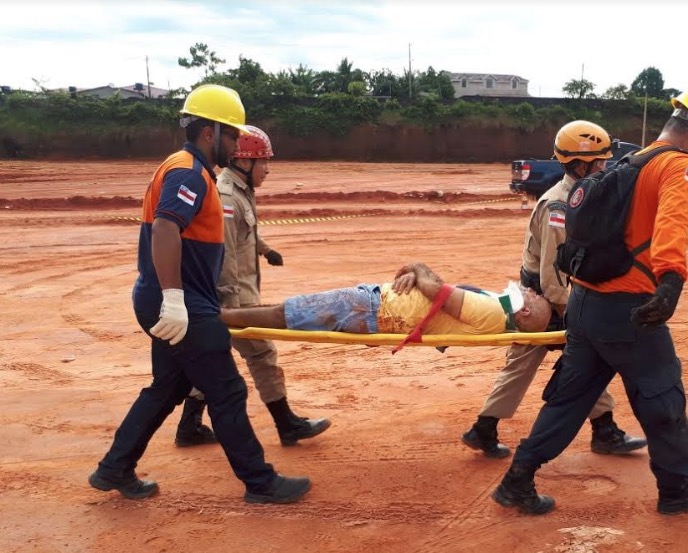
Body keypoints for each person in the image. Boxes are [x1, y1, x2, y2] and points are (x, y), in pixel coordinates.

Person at [492, 88, 688, 516]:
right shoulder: (680, 166)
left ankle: (518, 479)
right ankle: (677, 489)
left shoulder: (629, 161)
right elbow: (672, 226)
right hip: (629, 309)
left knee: (568, 399)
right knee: (663, 396)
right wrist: (670, 281)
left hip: (585, 302)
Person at [88, 84, 311, 504]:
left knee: (167, 388)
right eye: (232, 135)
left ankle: (114, 467)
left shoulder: (191, 169)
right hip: (182, 304)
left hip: (173, 300)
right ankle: (260, 483)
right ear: (210, 132)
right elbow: (165, 227)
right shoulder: (188, 172)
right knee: (227, 391)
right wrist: (174, 299)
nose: (236, 144)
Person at [462, 120, 647, 459]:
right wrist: (574, 310)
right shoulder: (558, 207)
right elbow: (551, 273)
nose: (604, 168)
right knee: (552, 363)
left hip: (548, 299)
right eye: (600, 162)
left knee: (573, 363)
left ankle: (601, 430)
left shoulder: (577, 198)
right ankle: (486, 429)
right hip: (542, 302)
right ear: (579, 165)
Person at [174, 125, 331, 448]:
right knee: (262, 353)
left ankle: (189, 426)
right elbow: (226, 253)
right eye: (264, 161)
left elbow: (246, 232)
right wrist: (232, 308)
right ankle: (287, 424)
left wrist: (265, 250)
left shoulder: (241, 191)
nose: (268, 169)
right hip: (232, 296)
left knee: (212, 358)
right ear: (244, 162)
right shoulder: (227, 196)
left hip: (234, 295)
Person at [218, 262, 552, 336]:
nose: (533, 291)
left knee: (284, 314)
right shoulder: (496, 311)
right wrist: (419, 274)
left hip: (373, 307)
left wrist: (418, 269)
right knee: (287, 312)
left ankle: (216, 317)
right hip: (376, 307)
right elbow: (436, 287)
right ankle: (222, 314)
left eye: (535, 298)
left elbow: (437, 290)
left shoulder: (492, 310)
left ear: (524, 314)